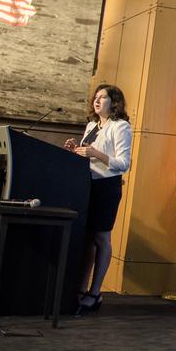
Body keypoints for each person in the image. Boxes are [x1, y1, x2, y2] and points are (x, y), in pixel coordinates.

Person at [63, 83, 133, 314]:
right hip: (87, 185)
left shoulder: (120, 126)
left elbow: (123, 164)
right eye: (96, 96)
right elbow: (89, 156)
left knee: (101, 238)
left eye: (103, 97)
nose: (97, 100)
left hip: (107, 187)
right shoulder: (92, 125)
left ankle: (95, 293)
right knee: (87, 239)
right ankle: (81, 289)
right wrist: (76, 150)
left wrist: (95, 153)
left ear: (114, 102)